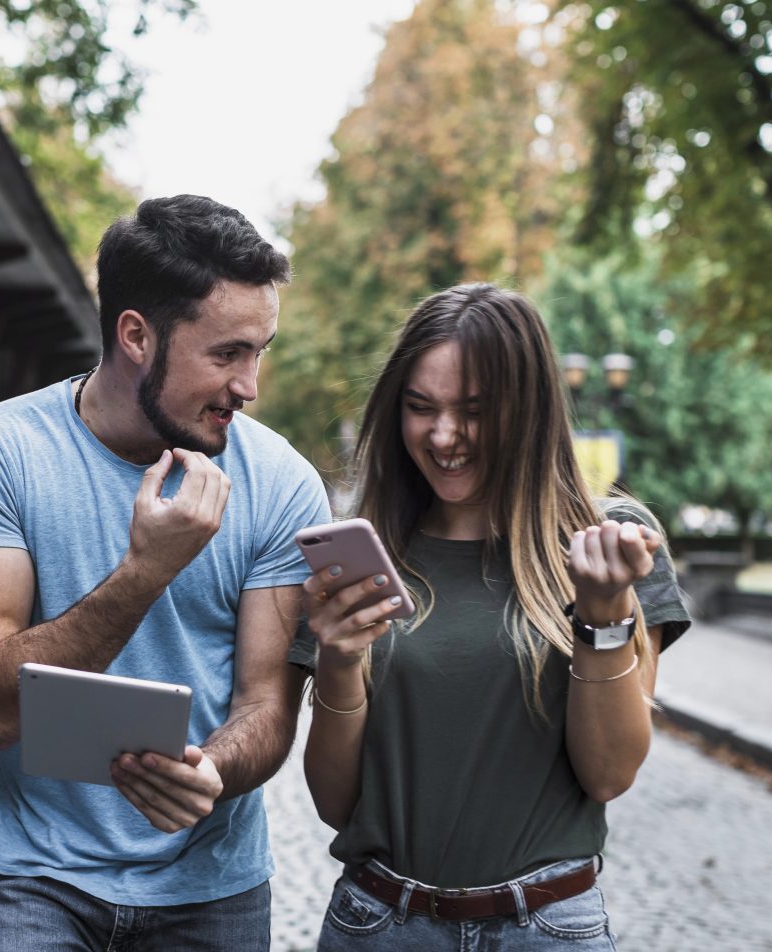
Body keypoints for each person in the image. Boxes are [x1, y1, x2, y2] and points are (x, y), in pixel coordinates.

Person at [0, 195, 330, 951]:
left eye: (259, 351)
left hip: (214, 891)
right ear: (136, 335)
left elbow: (268, 703)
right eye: (226, 353)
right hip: (38, 881)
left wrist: (214, 772)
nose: (250, 387)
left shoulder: (280, 482)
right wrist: (146, 571)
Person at [291, 283, 691, 950]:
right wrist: (336, 661)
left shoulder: (608, 542)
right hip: (379, 924)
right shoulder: (364, 553)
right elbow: (337, 804)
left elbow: (610, 773)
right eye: (421, 408)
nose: (444, 437)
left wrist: (600, 616)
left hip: (547, 928)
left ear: (528, 410)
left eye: (474, 412)